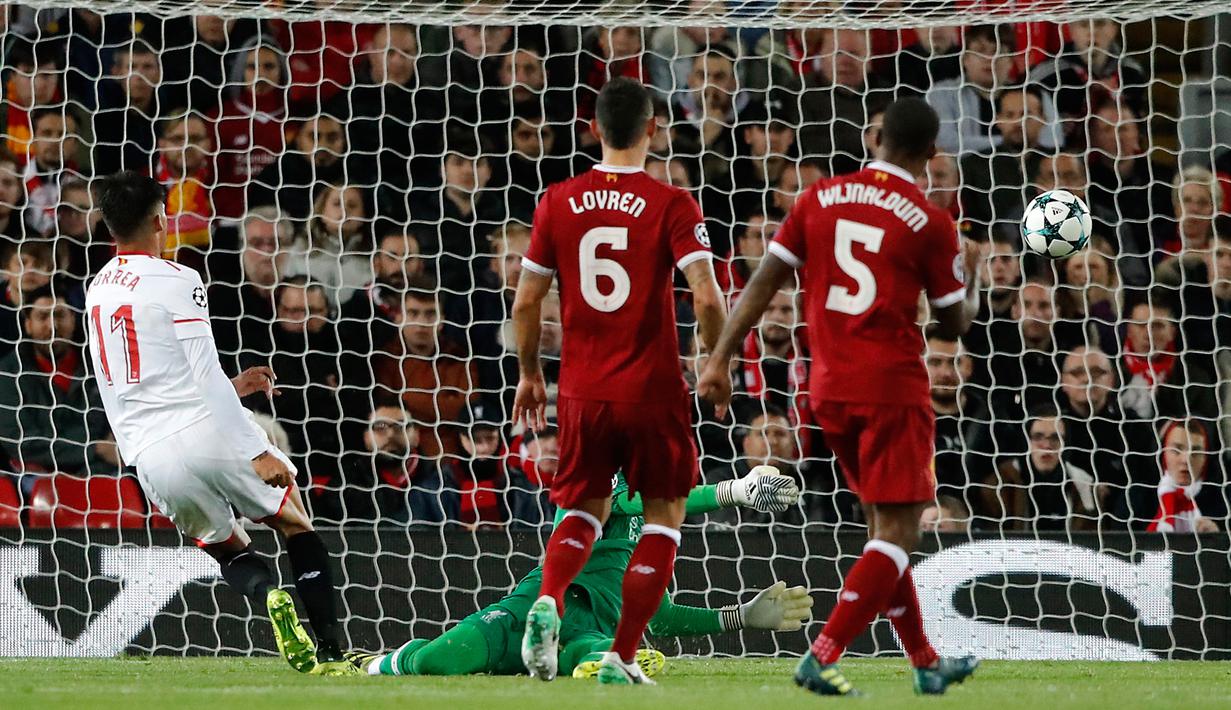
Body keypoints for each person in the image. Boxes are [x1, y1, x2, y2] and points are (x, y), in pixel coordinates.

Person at [697, 96, 982, 696]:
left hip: (826, 392)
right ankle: (821, 654)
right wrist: (972, 272)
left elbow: (760, 284)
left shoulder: (818, 198)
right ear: (931, 153)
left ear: (875, 138)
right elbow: (956, 326)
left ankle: (926, 662)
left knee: (886, 527)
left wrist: (719, 356)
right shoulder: (929, 220)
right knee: (901, 534)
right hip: (891, 389)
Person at [84, 172, 357, 676]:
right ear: (160, 219)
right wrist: (255, 450)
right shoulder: (178, 278)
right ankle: (334, 653)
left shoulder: (97, 290)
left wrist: (138, 457)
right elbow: (203, 375)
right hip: (207, 429)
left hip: (152, 453)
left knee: (223, 543)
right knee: (295, 522)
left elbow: (124, 385)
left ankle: (269, 593)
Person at [512, 77, 729, 685]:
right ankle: (621, 658)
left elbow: (527, 302)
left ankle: (550, 597)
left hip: (581, 392)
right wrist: (714, 360)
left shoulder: (557, 200)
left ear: (594, 130)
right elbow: (707, 296)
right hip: (652, 391)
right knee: (664, 516)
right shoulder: (672, 203)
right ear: (654, 128)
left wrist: (531, 374)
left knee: (584, 509)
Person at [350, 472, 809, 679]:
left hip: (590, 628)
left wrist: (740, 617)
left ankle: (602, 662)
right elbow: (632, 501)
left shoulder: (657, 535)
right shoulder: (594, 492)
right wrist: (733, 491)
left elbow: (661, 615)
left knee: (592, 653)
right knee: (437, 663)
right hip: (530, 614)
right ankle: (385, 661)